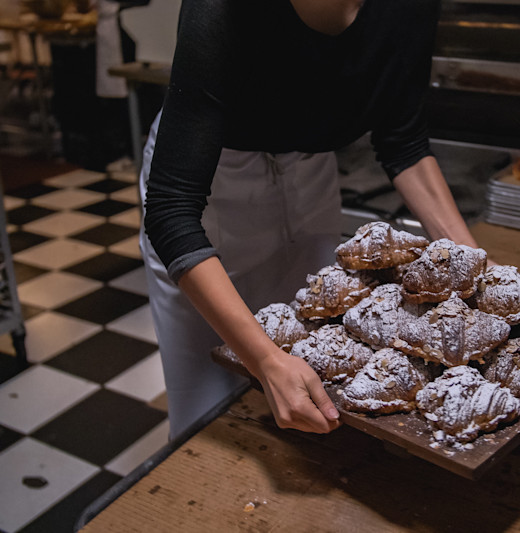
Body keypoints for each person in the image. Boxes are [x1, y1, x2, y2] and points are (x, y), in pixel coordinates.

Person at [139, 0, 487, 440]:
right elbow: (172, 209)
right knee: (211, 412)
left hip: (312, 176)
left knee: (323, 383)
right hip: (213, 187)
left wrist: (475, 266)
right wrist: (265, 361)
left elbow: (404, 140)